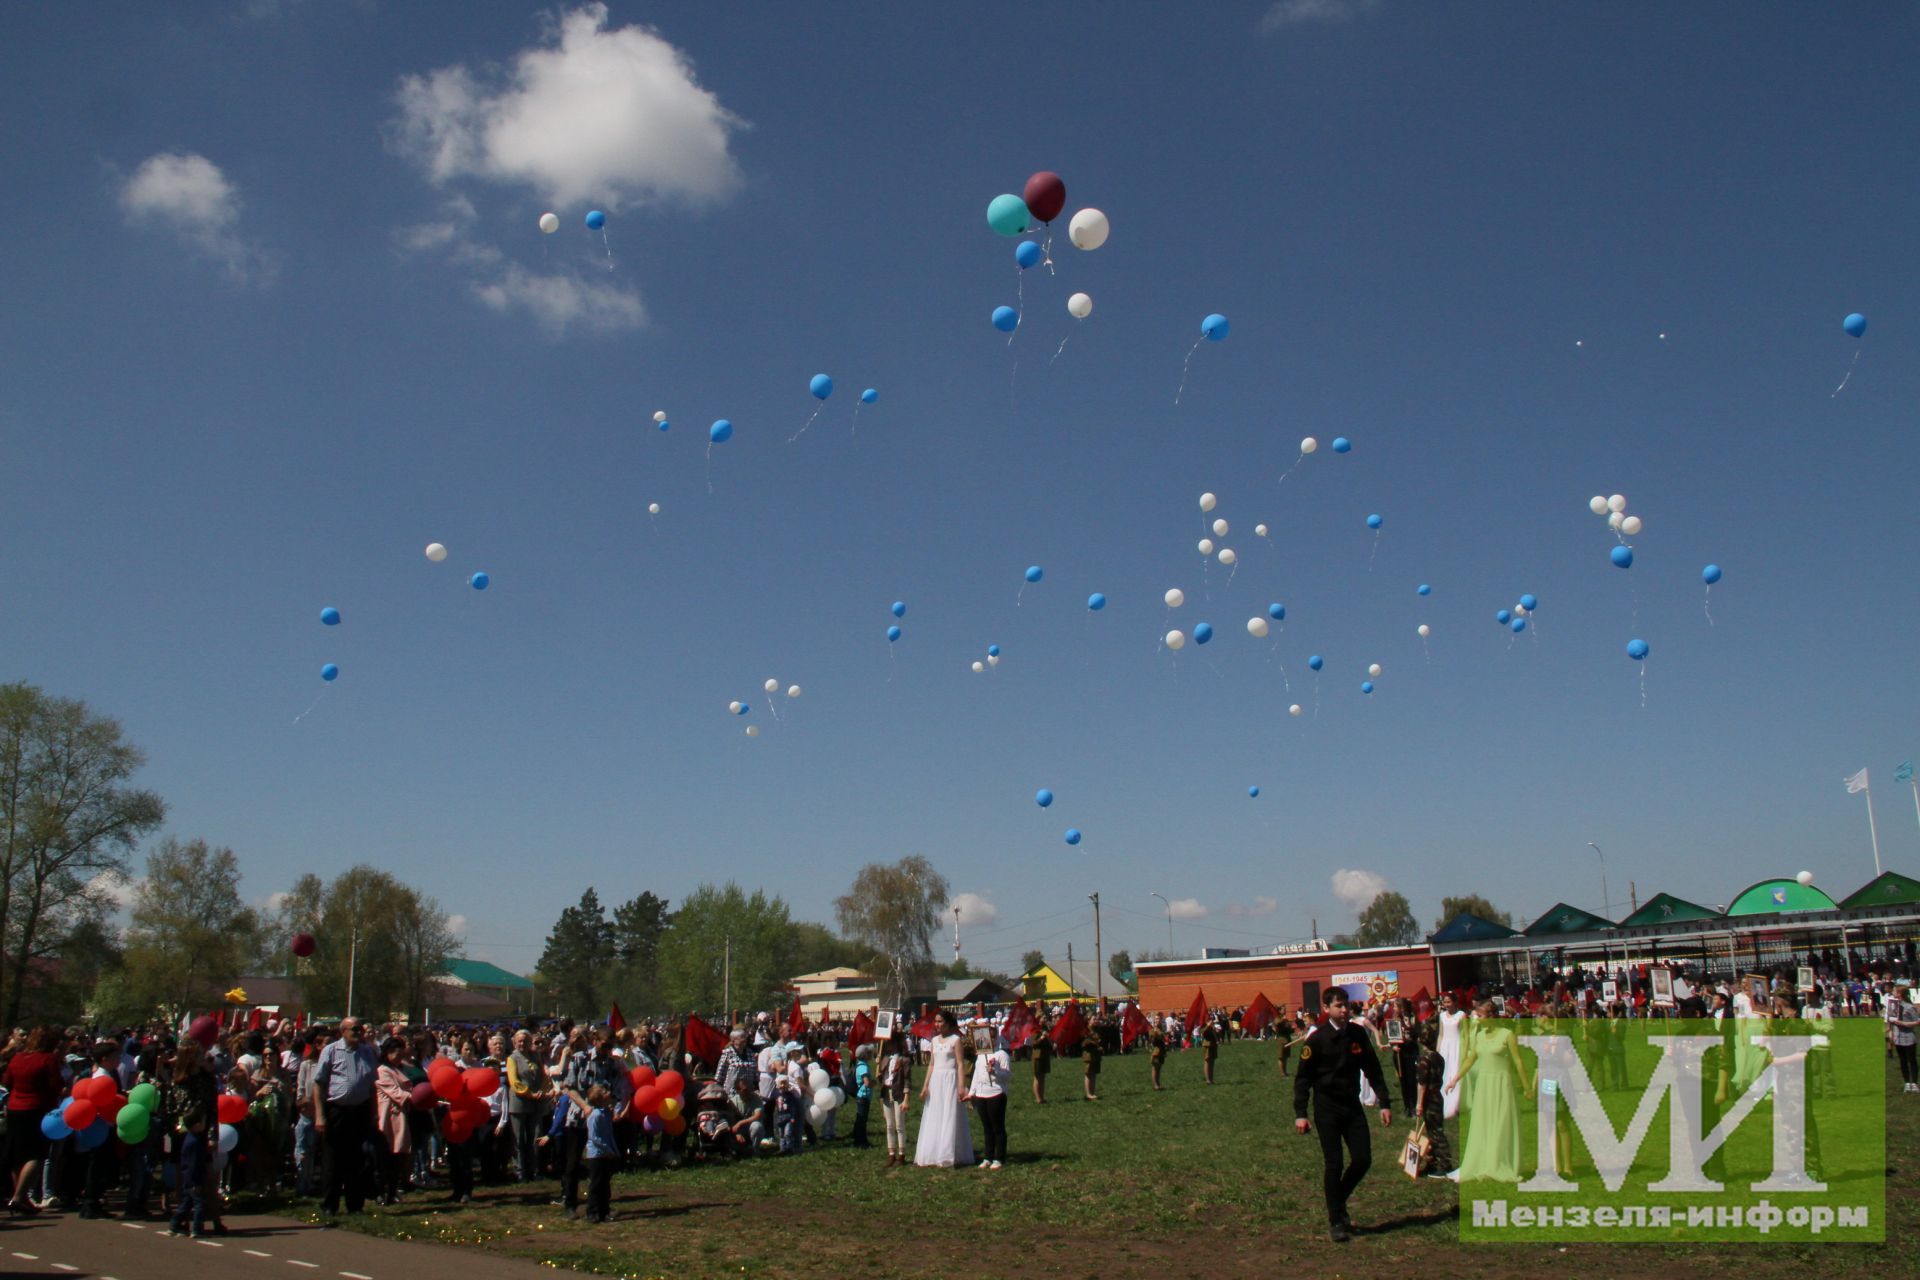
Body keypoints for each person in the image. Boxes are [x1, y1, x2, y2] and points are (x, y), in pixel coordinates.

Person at [1292, 988, 1392, 1243]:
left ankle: (1337, 1200)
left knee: (1363, 1159)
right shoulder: (1316, 1040)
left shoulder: (1357, 1034)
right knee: (1334, 1163)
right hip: (1326, 1108)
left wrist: (1384, 1102)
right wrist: (1301, 1113)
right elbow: (1302, 1079)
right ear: (1327, 1009)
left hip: (1352, 1105)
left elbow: (1373, 1068)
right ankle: (1336, 1220)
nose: (1344, 1009)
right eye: (1338, 1005)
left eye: (1346, 1005)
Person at [1448, 999, 1530, 1183]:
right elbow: (1470, 1060)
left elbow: (1518, 1062)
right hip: (1484, 1084)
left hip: (1502, 1084)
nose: (1477, 1018)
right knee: (1484, 1122)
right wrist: (1455, 1079)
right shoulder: (1479, 1036)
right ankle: (1485, 1161)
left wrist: (1527, 1087)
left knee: (1501, 1123)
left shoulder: (1507, 1034)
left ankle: (1500, 1161)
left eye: (1481, 1015)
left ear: (1491, 1016)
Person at [312, 1017, 379, 1219]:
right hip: (336, 1111)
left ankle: (355, 1205)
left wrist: (374, 1113)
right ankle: (330, 1204)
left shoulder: (368, 1052)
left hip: (360, 1110)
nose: (358, 1032)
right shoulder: (331, 1051)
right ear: (343, 1031)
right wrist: (320, 1115)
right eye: (354, 1029)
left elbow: (372, 1085)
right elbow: (319, 1084)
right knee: (333, 1159)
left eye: (360, 1029)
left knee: (357, 1160)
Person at [3, 1026, 64, 1214]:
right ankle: (20, 1196)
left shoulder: (17, 1058)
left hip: (14, 1108)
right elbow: (56, 1084)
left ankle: (20, 1195)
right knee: (36, 1154)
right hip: (38, 1108)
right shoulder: (48, 1059)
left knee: (17, 1155)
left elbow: (6, 1082)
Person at [913, 1011, 973, 1168]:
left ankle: (949, 1153)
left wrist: (961, 1085)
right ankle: (934, 1151)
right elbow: (931, 1064)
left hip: (950, 1080)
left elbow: (960, 1064)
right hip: (936, 1081)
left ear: (948, 1023)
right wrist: (926, 1085)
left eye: (940, 1021)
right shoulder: (933, 1040)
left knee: (949, 1114)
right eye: (936, 1022)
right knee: (935, 1114)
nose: (937, 1024)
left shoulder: (955, 1040)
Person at [505, 1029, 553, 1183]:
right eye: (519, 1041)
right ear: (514, 1042)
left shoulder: (535, 1056)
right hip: (519, 1102)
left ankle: (535, 1169)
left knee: (535, 1136)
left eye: (525, 1041)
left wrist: (545, 1091)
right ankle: (520, 1170)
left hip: (536, 1102)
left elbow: (543, 1077)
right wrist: (529, 1093)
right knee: (519, 1138)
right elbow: (514, 1081)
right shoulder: (512, 1058)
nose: (522, 1044)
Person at [372, 1036, 414, 1206]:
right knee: (384, 1157)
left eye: (399, 1051)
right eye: (393, 1052)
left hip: (400, 1116)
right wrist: (417, 1097)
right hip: (388, 1116)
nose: (397, 1055)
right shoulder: (383, 1070)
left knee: (397, 1158)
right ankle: (380, 1192)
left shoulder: (400, 1069)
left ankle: (392, 1191)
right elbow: (397, 1093)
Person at [1411, 1020, 1454, 1178]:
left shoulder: (1424, 1060)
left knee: (1435, 1132)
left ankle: (1444, 1163)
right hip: (1438, 1095)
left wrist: (1419, 1104)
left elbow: (1422, 1084)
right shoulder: (1439, 1057)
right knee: (1434, 1129)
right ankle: (1434, 1161)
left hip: (1429, 1097)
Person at [969, 1033, 1010, 1170]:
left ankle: (999, 1157)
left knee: (997, 1126)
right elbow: (976, 1074)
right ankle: (988, 1156)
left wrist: (995, 1071)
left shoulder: (1001, 1055)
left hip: (996, 1093)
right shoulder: (980, 1056)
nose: (989, 1040)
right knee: (986, 1127)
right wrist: (971, 1093)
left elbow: (1007, 1075)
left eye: (992, 1038)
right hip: (981, 1094)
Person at [583, 1085, 617, 1222]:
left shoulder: (605, 1113)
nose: (608, 1092)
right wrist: (608, 1150)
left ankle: (604, 1211)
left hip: (605, 1153)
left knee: (605, 1184)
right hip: (596, 1154)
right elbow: (594, 1137)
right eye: (604, 1091)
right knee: (596, 1184)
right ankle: (592, 1212)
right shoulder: (595, 1115)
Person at [879, 1032, 911, 1167]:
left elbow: (907, 1080)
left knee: (899, 1125)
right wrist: (879, 1066)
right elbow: (881, 1076)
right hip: (886, 1092)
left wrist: (906, 1098)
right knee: (889, 1125)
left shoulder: (904, 1060)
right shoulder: (884, 1058)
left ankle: (902, 1154)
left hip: (898, 1093)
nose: (889, 1045)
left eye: (891, 1043)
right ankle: (891, 1153)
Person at [1435, 993, 1467, 1120]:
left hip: (1457, 1046)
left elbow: (1465, 1034)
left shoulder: (1461, 1015)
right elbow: (1441, 1034)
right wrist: (1437, 1051)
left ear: (1454, 1002)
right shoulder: (1442, 1015)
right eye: (1445, 1002)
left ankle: (1456, 1103)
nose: (1446, 1004)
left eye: (1448, 1002)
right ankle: (1444, 1100)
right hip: (1445, 1047)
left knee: (1455, 1071)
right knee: (1444, 1072)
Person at [1888, 983, 1919, 1093]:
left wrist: (1902, 1023)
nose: (1893, 993)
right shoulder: (1892, 1005)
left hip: (1908, 1038)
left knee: (1912, 1060)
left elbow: (1917, 1021)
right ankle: (1907, 1083)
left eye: (1894, 991)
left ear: (1899, 994)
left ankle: (1914, 1083)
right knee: (1902, 1061)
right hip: (1898, 1037)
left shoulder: (1909, 1007)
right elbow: (1890, 1019)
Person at [850, 1045, 873, 1148]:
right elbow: (867, 1083)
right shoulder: (863, 1067)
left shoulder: (859, 1065)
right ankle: (861, 1141)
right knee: (862, 1120)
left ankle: (858, 1139)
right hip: (863, 1096)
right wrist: (874, 1082)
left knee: (860, 1119)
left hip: (861, 1096)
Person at [1030, 1020, 1052, 1104]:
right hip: (1037, 1056)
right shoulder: (1035, 1030)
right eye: (1043, 1017)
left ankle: (1042, 1097)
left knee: (1043, 1077)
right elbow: (1033, 1043)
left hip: (1044, 1055)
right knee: (1037, 1077)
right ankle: (1038, 1098)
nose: (1045, 1019)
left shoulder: (1045, 1029)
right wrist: (1041, 1038)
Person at [1081, 1023, 1102, 1101]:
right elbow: (1083, 1043)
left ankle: (1092, 1093)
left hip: (1095, 1055)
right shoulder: (1086, 1031)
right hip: (1088, 1056)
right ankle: (1088, 1094)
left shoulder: (1096, 1031)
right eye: (1094, 1019)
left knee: (1094, 1074)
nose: (1096, 1020)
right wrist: (1092, 1042)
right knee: (1088, 1074)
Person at [1147, 1023, 1167, 1091]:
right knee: (1155, 1069)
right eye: (1156, 1019)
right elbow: (1152, 1041)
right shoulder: (1152, 1031)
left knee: (1158, 1069)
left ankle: (1158, 1085)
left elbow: (1164, 1038)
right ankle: (1155, 1085)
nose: (1158, 1021)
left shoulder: (1161, 1030)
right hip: (1156, 1052)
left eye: (1159, 1019)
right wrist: (1155, 1033)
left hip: (1162, 1052)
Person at [1200, 1017, 1219, 1085]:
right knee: (1207, 1061)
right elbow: (1202, 1032)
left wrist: (1217, 1040)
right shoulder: (1203, 1024)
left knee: (1212, 1062)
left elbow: (1214, 1033)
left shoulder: (1211, 1025)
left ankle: (1211, 1079)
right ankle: (1208, 1080)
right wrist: (1208, 1025)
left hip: (1213, 1044)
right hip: (1207, 1044)